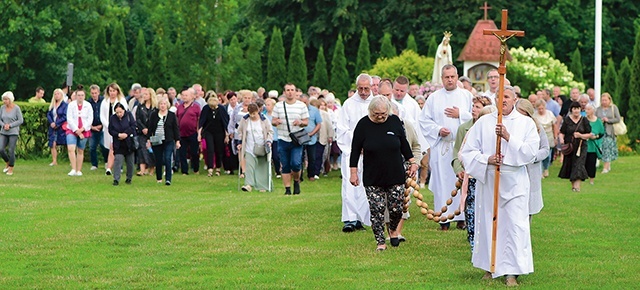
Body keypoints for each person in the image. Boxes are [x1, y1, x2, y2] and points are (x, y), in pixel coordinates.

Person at [459, 86, 539, 286]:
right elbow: (467, 152)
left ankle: (511, 272)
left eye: (507, 97)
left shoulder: (526, 123)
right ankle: (490, 266)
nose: (502, 100)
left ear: (515, 99)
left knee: (513, 225)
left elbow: (530, 152)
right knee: (489, 223)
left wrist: (508, 137)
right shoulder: (484, 122)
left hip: (515, 182)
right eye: (499, 96)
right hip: (490, 181)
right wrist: (488, 159)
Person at [349, 96, 419, 251]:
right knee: (377, 209)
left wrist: (413, 162)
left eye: (383, 114)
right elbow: (354, 150)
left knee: (396, 208)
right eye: (376, 114)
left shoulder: (395, 122)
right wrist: (353, 172)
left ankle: (393, 231)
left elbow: (404, 145)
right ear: (370, 111)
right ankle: (380, 241)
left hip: (395, 173)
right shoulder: (363, 125)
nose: (380, 116)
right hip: (373, 175)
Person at [419, 64, 474, 231]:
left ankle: (461, 216)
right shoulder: (434, 98)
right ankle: (443, 218)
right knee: (443, 181)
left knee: (461, 178)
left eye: (452, 76)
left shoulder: (466, 96)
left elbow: (477, 116)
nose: (450, 80)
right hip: (442, 147)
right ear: (442, 79)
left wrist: (460, 115)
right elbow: (424, 120)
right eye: (446, 77)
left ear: (457, 77)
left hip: (461, 146)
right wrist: (438, 130)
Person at [452, 96, 492, 250]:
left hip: (487, 176)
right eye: (473, 106)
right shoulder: (465, 129)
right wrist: (459, 169)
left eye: (478, 107)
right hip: (471, 175)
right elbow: (458, 151)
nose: (474, 110)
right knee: (472, 209)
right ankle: (473, 242)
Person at [335, 74, 374, 232]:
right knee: (349, 185)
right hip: (351, 151)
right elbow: (342, 130)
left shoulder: (376, 103)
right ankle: (350, 219)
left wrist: (369, 144)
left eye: (366, 88)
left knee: (367, 185)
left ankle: (365, 218)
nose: (363, 92)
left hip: (371, 153)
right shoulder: (348, 104)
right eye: (360, 88)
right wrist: (358, 143)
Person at [271, 83, 309, 195]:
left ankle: (296, 180)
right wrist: (276, 122)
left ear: (296, 92)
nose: (290, 92)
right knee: (285, 164)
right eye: (288, 90)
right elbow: (273, 121)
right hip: (283, 138)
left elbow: (306, 122)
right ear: (284, 92)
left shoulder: (301, 106)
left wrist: (300, 122)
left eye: (292, 90)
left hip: (296, 139)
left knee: (296, 163)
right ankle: (287, 189)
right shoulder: (278, 106)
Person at [516, 99, 549, 218]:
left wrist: (533, 156)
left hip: (531, 170)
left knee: (529, 205)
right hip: (515, 169)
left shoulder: (537, 127)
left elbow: (545, 149)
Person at [237, 103, 274, 192]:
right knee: (249, 165)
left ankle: (263, 187)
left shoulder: (264, 119)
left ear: (258, 111)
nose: (252, 116)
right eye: (251, 114)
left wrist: (269, 141)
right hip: (249, 146)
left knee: (262, 167)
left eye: (254, 113)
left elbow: (270, 131)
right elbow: (240, 131)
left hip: (262, 146)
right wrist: (240, 142)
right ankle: (248, 185)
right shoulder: (245, 119)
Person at [558, 102, 591, 192]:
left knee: (579, 164)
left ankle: (577, 187)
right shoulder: (567, 120)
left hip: (581, 146)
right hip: (570, 147)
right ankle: (573, 186)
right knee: (570, 164)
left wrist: (580, 135)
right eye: (574, 108)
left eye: (578, 108)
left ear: (581, 110)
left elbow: (589, 134)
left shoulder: (584, 120)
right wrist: (561, 140)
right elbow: (562, 132)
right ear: (571, 110)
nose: (576, 110)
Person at [148, 97, 181, 185]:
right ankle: (159, 178)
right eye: (161, 104)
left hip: (168, 140)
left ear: (167, 105)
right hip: (157, 140)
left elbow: (175, 129)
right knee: (158, 159)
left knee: (167, 158)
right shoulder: (154, 115)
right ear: (158, 105)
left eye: (164, 104)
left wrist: (177, 140)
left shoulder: (171, 115)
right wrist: (148, 139)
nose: (162, 106)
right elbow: (150, 128)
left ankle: (168, 179)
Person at [100, 83, 129, 175]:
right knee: (110, 147)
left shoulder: (122, 101)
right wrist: (108, 125)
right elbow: (102, 115)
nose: (112, 93)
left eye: (114, 91)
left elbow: (125, 115)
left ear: (117, 91)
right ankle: (110, 167)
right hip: (108, 128)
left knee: (115, 147)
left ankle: (111, 167)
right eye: (110, 91)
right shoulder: (105, 101)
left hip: (119, 129)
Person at [198, 91, 230, 177]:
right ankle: (210, 168)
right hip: (209, 132)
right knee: (210, 149)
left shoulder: (221, 109)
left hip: (219, 132)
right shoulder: (205, 109)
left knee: (219, 149)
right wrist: (199, 134)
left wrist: (227, 135)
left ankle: (218, 168)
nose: (212, 108)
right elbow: (201, 121)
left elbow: (225, 123)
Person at [65, 88, 93, 176]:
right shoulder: (71, 105)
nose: (80, 97)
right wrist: (76, 130)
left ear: (84, 96)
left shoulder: (88, 105)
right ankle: (73, 168)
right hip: (72, 129)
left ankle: (78, 170)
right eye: (78, 95)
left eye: (82, 95)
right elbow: (69, 118)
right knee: (71, 148)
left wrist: (82, 129)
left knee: (80, 150)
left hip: (84, 130)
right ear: (75, 96)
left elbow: (90, 119)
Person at [108, 103, 137, 186]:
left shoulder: (129, 115)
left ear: (124, 110)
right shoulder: (112, 118)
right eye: (117, 113)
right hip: (118, 143)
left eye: (120, 112)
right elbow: (111, 130)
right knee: (118, 160)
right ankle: (116, 179)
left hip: (129, 143)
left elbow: (133, 126)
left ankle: (129, 178)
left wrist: (125, 134)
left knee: (130, 162)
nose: (119, 114)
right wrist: (118, 135)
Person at [176, 87, 201, 175]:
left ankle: (196, 169)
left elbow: (199, 120)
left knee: (194, 152)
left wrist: (199, 133)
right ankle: (184, 171)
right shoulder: (179, 107)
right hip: (181, 134)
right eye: (183, 95)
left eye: (186, 95)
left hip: (193, 133)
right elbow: (177, 119)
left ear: (191, 96)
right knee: (182, 153)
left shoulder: (196, 107)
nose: (184, 97)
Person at [595, 93, 620, 173]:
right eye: (602, 100)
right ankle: (607, 165)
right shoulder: (598, 109)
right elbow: (595, 119)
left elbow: (618, 119)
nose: (604, 102)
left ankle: (605, 168)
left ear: (609, 100)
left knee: (607, 148)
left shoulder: (613, 108)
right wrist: (600, 121)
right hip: (601, 132)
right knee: (602, 148)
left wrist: (608, 120)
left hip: (610, 131)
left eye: (606, 100)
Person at [135, 88, 158, 176]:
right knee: (141, 150)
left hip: (152, 132)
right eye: (144, 94)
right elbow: (138, 119)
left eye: (146, 94)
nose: (144, 96)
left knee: (151, 150)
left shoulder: (155, 108)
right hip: (142, 131)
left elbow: (156, 119)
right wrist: (143, 128)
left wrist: (150, 130)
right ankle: (142, 169)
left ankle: (152, 168)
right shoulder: (140, 107)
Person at [0, 92, 23, 176]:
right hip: (3, 131)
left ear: (10, 99)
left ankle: (11, 168)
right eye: (3, 99)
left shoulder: (16, 108)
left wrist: (10, 125)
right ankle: (7, 162)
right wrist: (3, 125)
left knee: (11, 150)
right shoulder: (2, 108)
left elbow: (20, 120)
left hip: (13, 132)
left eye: (6, 99)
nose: (4, 101)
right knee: (1, 149)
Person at [300, 94, 322, 181]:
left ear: (308, 101)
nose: (303, 104)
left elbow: (319, 124)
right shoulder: (298, 110)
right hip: (300, 137)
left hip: (311, 138)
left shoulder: (314, 110)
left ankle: (311, 175)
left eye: (305, 102)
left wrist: (312, 133)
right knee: (299, 157)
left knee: (312, 157)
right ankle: (299, 176)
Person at [533, 99, 557, 178]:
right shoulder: (534, 115)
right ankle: (540, 171)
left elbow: (554, 126)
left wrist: (555, 137)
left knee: (548, 155)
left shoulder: (550, 114)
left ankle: (546, 168)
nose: (541, 110)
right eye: (539, 109)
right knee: (540, 154)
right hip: (539, 136)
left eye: (542, 108)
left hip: (549, 135)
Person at [88, 85, 108, 170]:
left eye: (95, 93)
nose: (94, 95)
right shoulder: (88, 102)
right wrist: (91, 126)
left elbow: (105, 114)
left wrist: (102, 125)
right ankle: (94, 164)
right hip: (92, 127)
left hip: (102, 126)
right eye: (92, 93)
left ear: (99, 92)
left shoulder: (104, 101)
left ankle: (107, 162)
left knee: (104, 145)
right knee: (92, 147)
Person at [47, 89, 68, 166]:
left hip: (61, 127)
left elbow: (65, 116)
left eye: (58, 94)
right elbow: (49, 114)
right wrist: (51, 122)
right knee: (53, 143)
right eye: (55, 94)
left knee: (66, 144)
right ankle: (54, 161)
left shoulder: (65, 105)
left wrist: (57, 123)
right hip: (52, 127)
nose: (56, 95)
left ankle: (72, 160)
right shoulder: (52, 105)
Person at [585, 104, 605, 185]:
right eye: (586, 109)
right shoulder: (584, 120)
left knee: (592, 163)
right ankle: (583, 177)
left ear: (593, 111)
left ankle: (591, 180)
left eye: (589, 109)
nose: (587, 111)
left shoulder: (598, 121)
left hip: (593, 146)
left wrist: (595, 136)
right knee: (583, 162)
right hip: (584, 145)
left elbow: (602, 133)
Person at [264, 97, 281, 178]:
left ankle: (278, 171)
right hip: (267, 139)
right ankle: (266, 171)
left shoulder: (277, 116)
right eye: (266, 105)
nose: (267, 106)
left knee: (275, 156)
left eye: (268, 105)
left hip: (276, 138)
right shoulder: (264, 116)